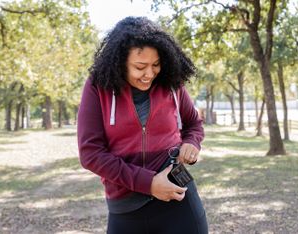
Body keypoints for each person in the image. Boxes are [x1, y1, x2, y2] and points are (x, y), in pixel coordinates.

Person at [77, 16, 208, 234]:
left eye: (155, 65)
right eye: (140, 67)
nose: (149, 74)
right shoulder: (97, 87)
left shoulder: (172, 84)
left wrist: (192, 142)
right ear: (120, 62)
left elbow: (193, 123)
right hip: (125, 205)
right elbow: (90, 154)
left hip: (178, 195)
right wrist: (149, 184)